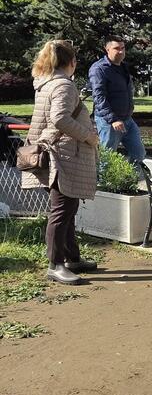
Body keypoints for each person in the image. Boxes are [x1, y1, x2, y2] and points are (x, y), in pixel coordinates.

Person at [21, 40, 100, 286]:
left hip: (55, 154)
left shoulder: (45, 84)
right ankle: (55, 264)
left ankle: (71, 258)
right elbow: (59, 119)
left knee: (67, 209)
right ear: (71, 62)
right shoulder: (64, 85)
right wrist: (88, 136)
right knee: (62, 211)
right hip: (63, 157)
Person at [89, 35, 145, 164]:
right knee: (107, 159)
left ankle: (127, 181)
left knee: (139, 153)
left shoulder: (123, 67)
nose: (121, 51)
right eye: (116, 48)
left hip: (127, 120)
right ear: (107, 49)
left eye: (123, 48)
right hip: (109, 122)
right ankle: (105, 184)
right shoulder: (99, 69)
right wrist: (113, 119)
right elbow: (99, 97)